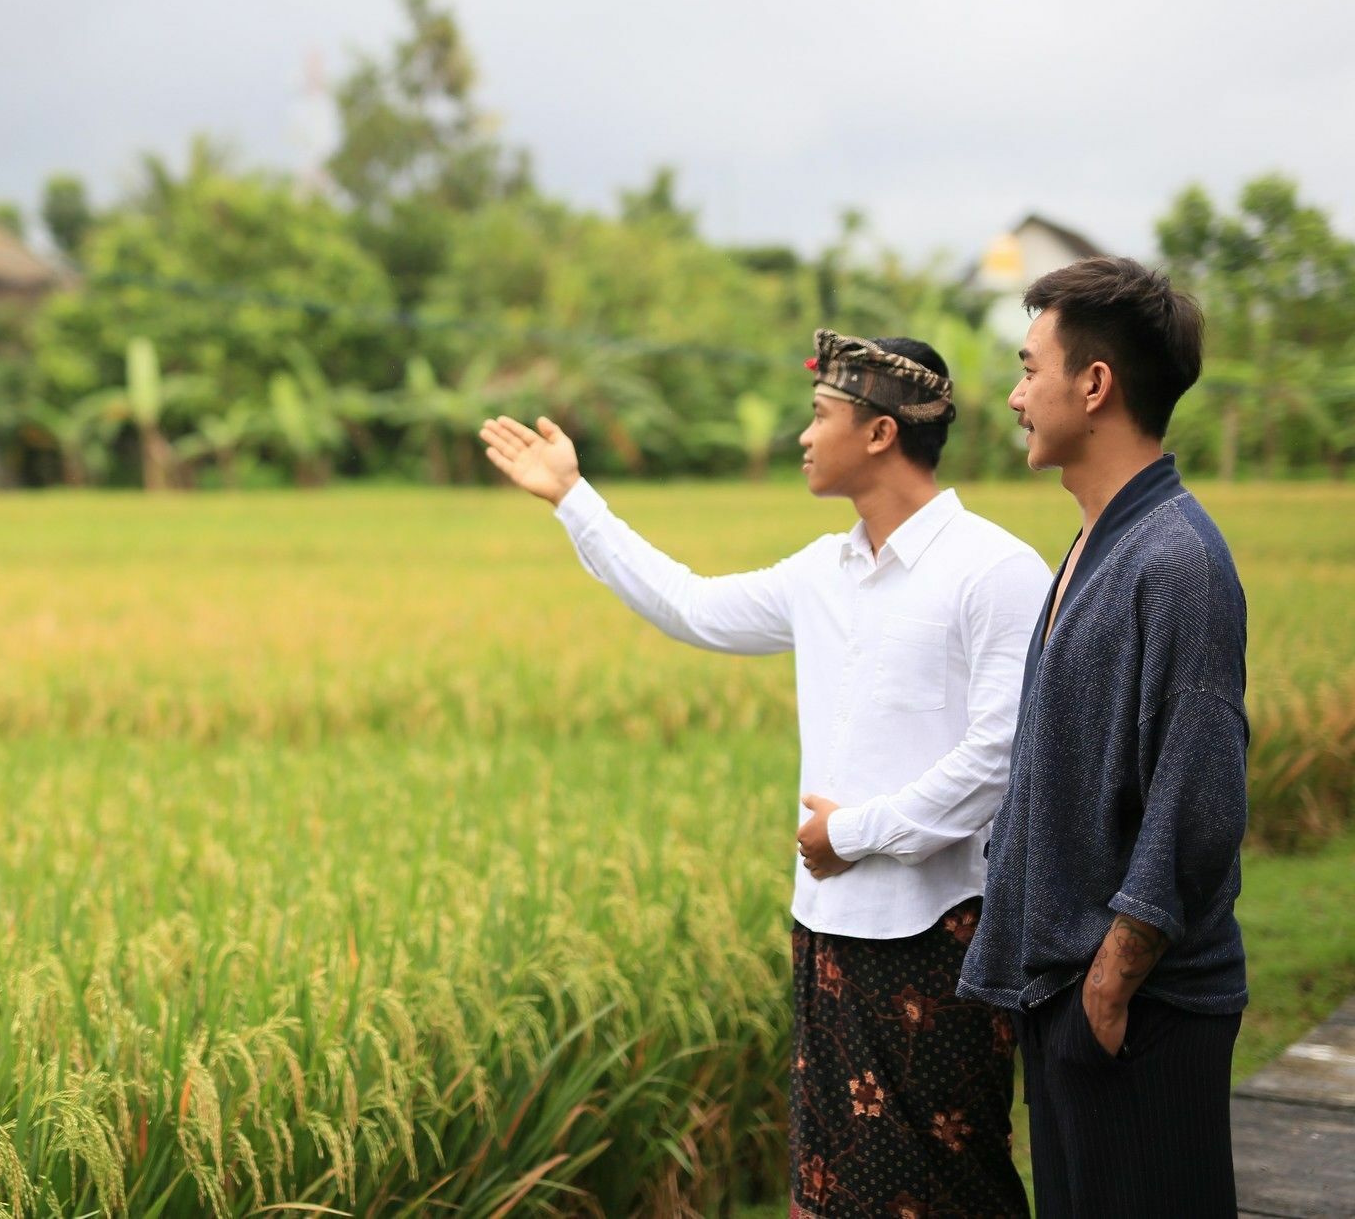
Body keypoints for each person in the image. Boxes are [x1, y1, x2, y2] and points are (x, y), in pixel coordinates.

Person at [480, 331, 1048, 1217]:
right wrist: (573, 497)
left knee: (949, 1180)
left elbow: (1004, 753)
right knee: (835, 1183)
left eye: (820, 416)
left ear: (880, 434)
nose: (801, 436)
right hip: (823, 927)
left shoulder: (995, 570)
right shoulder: (822, 571)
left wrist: (850, 833)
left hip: (943, 935)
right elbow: (690, 604)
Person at [959, 256, 1249, 1217]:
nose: (1013, 394)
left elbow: (1199, 791)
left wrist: (1112, 984)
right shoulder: (1097, 543)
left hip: (1137, 1005)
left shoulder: (1174, 559)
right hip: (1076, 992)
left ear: (1094, 383)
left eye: (1028, 367)